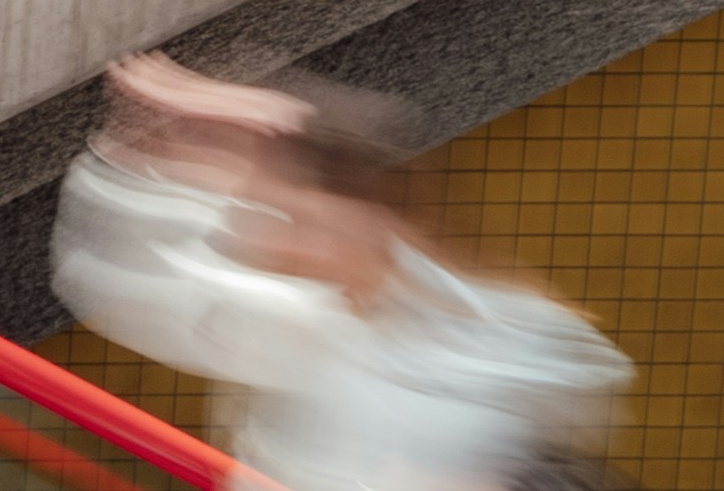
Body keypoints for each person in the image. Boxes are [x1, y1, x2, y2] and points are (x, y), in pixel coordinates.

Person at [58, 56, 618, 491]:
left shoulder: (512, 335)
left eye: (294, 217)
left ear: (378, 216)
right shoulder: (294, 323)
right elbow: (119, 281)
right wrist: (144, 153)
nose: (273, 242)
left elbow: (572, 381)